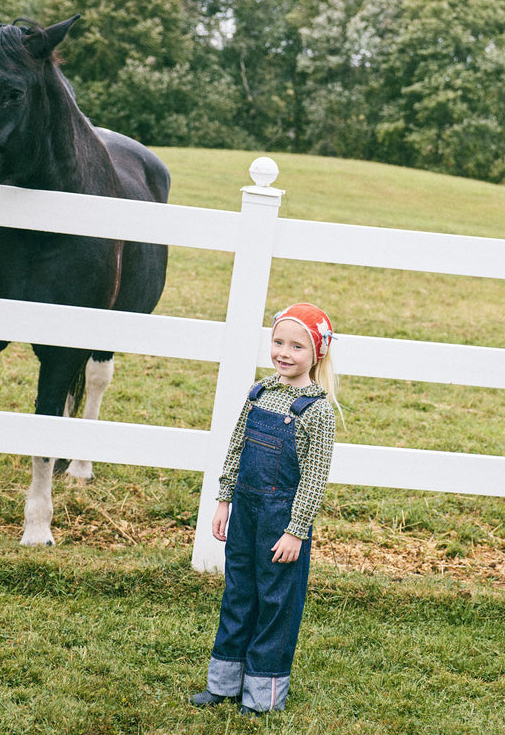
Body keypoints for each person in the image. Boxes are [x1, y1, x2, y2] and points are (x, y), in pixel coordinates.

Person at [192, 302, 339, 716]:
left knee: (276, 600)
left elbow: (314, 478)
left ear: (317, 354)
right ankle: (223, 683)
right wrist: (224, 500)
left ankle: (263, 695)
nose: (284, 353)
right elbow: (236, 448)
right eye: (278, 342)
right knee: (238, 590)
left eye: (297, 346)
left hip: (283, 521)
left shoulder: (318, 412)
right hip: (245, 510)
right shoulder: (260, 393)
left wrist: (296, 530)